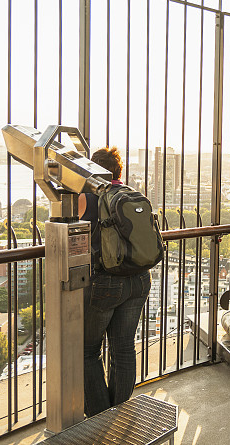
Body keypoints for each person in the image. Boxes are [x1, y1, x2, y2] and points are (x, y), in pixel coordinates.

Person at [79, 147, 152, 416]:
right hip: (140, 279)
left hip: (107, 283)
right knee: (123, 348)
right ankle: (118, 415)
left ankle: (99, 416)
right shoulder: (130, 194)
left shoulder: (88, 198)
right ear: (118, 172)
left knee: (87, 352)